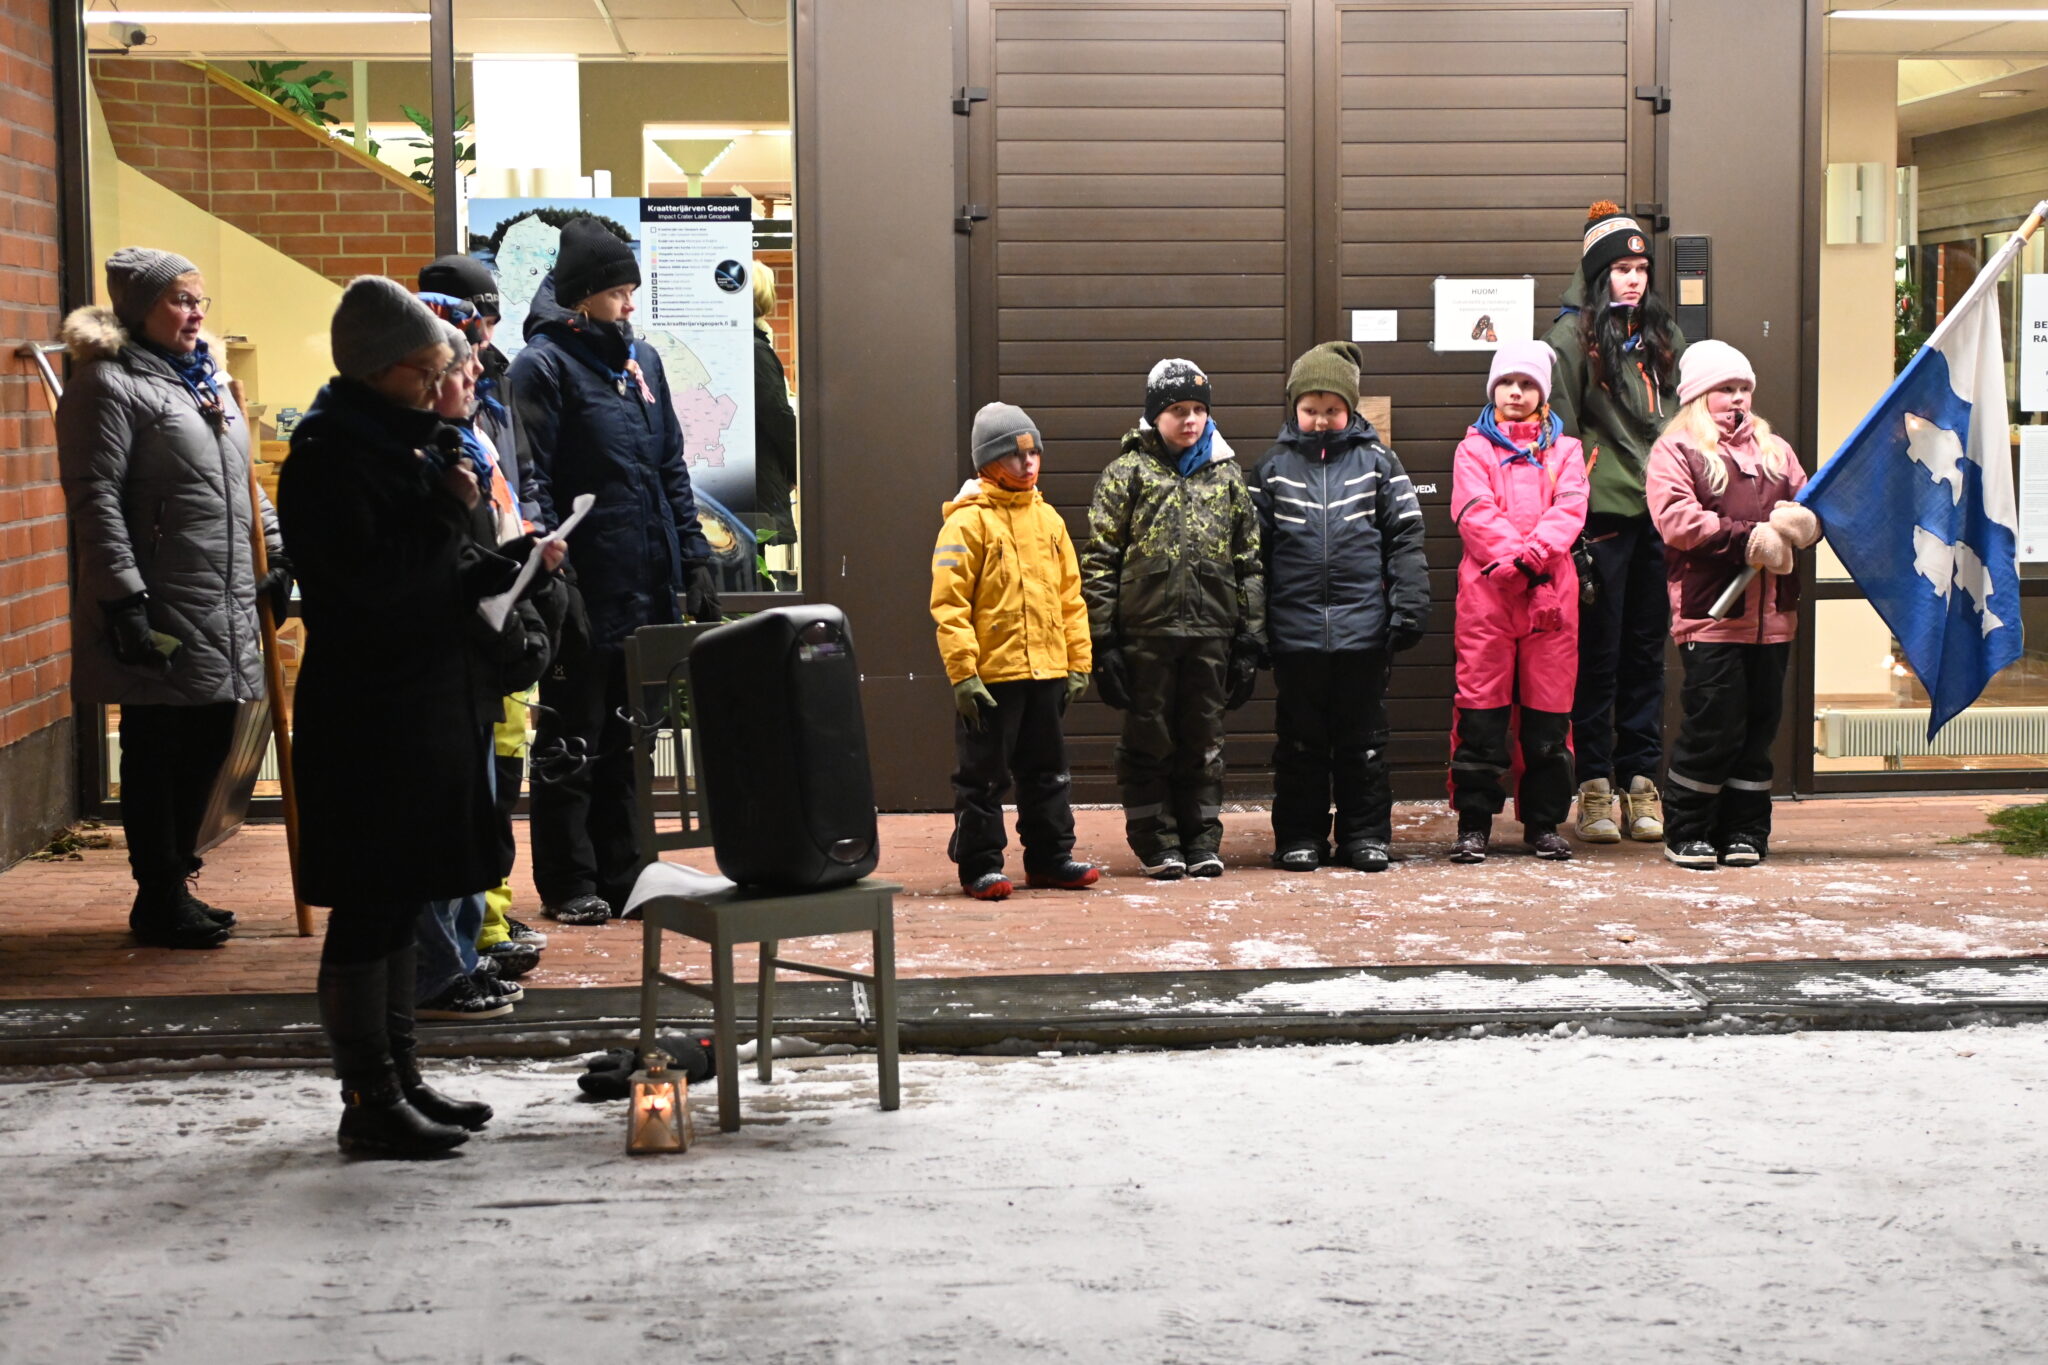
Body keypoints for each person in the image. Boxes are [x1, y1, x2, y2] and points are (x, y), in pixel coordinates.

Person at [281, 275, 528, 1158]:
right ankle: (368, 1095)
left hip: (426, 698)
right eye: (423, 373)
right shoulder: (331, 456)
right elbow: (370, 587)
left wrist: (508, 567)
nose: (438, 387)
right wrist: (446, 520)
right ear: (377, 370)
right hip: (372, 709)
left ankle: (404, 1074)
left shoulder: (408, 446)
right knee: (373, 903)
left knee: (406, 888)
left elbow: (434, 572)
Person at [56, 247, 286, 950]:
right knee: (160, 745)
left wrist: (276, 552)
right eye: (179, 300)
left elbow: (242, 483)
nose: (194, 314)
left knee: (211, 738)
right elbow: (93, 500)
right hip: (158, 596)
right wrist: (124, 600)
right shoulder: (106, 386)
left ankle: (175, 875)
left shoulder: (205, 379)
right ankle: (157, 892)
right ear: (139, 308)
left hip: (221, 590)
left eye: (199, 301)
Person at [510, 217, 721, 924]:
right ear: (582, 297)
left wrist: (693, 554)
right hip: (585, 585)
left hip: (648, 582)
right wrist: (547, 572)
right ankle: (569, 878)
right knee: (575, 735)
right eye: (619, 292)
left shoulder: (642, 363)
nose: (631, 305)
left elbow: (669, 468)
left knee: (635, 739)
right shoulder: (541, 366)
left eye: (633, 290)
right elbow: (529, 477)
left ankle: (626, 869)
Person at [413, 322, 564, 1021]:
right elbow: (440, 566)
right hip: (439, 672)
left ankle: (464, 953)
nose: (476, 375)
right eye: (460, 366)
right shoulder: (413, 459)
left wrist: (527, 568)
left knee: (478, 814)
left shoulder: (468, 443)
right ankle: (438, 968)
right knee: (442, 829)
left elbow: (485, 548)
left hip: (481, 664)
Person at [1247, 341, 1428, 874]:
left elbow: (1405, 538)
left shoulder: (1379, 464)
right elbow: (1252, 553)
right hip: (1296, 633)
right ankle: (1298, 835)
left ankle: (1364, 833)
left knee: (1363, 742)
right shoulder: (1272, 469)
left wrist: (1409, 602)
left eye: (1332, 410)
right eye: (1310, 410)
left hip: (1363, 633)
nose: (1321, 420)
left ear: (1350, 409)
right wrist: (1255, 623)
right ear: (1294, 411)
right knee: (1300, 743)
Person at [1081, 359, 1263, 880]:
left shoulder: (1227, 476)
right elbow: (1100, 559)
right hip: (1146, 635)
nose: (1190, 420)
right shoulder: (1127, 473)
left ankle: (1202, 839)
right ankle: (1157, 842)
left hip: (1211, 633)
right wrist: (1103, 640)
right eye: (1178, 410)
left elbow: (1249, 561)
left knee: (1203, 742)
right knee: (1148, 740)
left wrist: (1249, 641)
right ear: (1154, 415)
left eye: (1199, 410)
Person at [1544, 201, 1687, 846]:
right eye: (1622, 268)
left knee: (1646, 654)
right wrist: (1570, 517)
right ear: (1599, 273)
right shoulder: (1571, 340)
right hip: (1603, 516)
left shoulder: (1663, 336)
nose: (1635, 278)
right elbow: (1563, 434)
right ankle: (1595, 785)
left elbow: (1686, 422)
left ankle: (1640, 781)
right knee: (1598, 657)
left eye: (1642, 267)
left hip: (1662, 514)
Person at [1645, 341, 1819, 870]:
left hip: (1774, 619)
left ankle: (1744, 830)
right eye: (1726, 388)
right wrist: (1748, 539)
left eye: (1744, 388)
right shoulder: (1677, 450)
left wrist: (1806, 525)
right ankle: (1689, 828)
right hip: (1713, 616)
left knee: (1758, 727)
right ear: (1700, 395)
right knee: (1713, 725)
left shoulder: (1776, 451)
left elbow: (1806, 502)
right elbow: (1676, 518)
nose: (1737, 398)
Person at [930, 403, 1097, 901]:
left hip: (1046, 671)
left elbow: (1071, 596)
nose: (1028, 464)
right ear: (987, 462)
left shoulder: (1049, 521)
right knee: (982, 777)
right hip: (991, 679)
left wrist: (1077, 662)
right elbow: (949, 604)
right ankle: (979, 864)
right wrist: (963, 674)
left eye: (1033, 453)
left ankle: (1050, 858)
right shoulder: (965, 526)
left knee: (1048, 773)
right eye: (1014, 455)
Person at [1446, 341, 1588, 864]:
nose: (1515, 392)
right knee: (1480, 714)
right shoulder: (1473, 449)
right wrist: (1516, 560)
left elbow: (1571, 508)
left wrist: (1531, 559)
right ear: (1493, 389)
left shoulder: (1565, 451)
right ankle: (1474, 823)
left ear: (1542, 393)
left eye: (1527, 384)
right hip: (1488, 600)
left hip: (1551, 602)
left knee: (1548, 721)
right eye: (1507, 382)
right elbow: (1473, 509)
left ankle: (1544, 823)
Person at [752, 262, 798, 579]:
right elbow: (778, 416)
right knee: (753, 574)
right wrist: (799, 466)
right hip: (755, 485)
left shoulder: (746, 346)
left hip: (743, 485)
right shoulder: (756, 351)